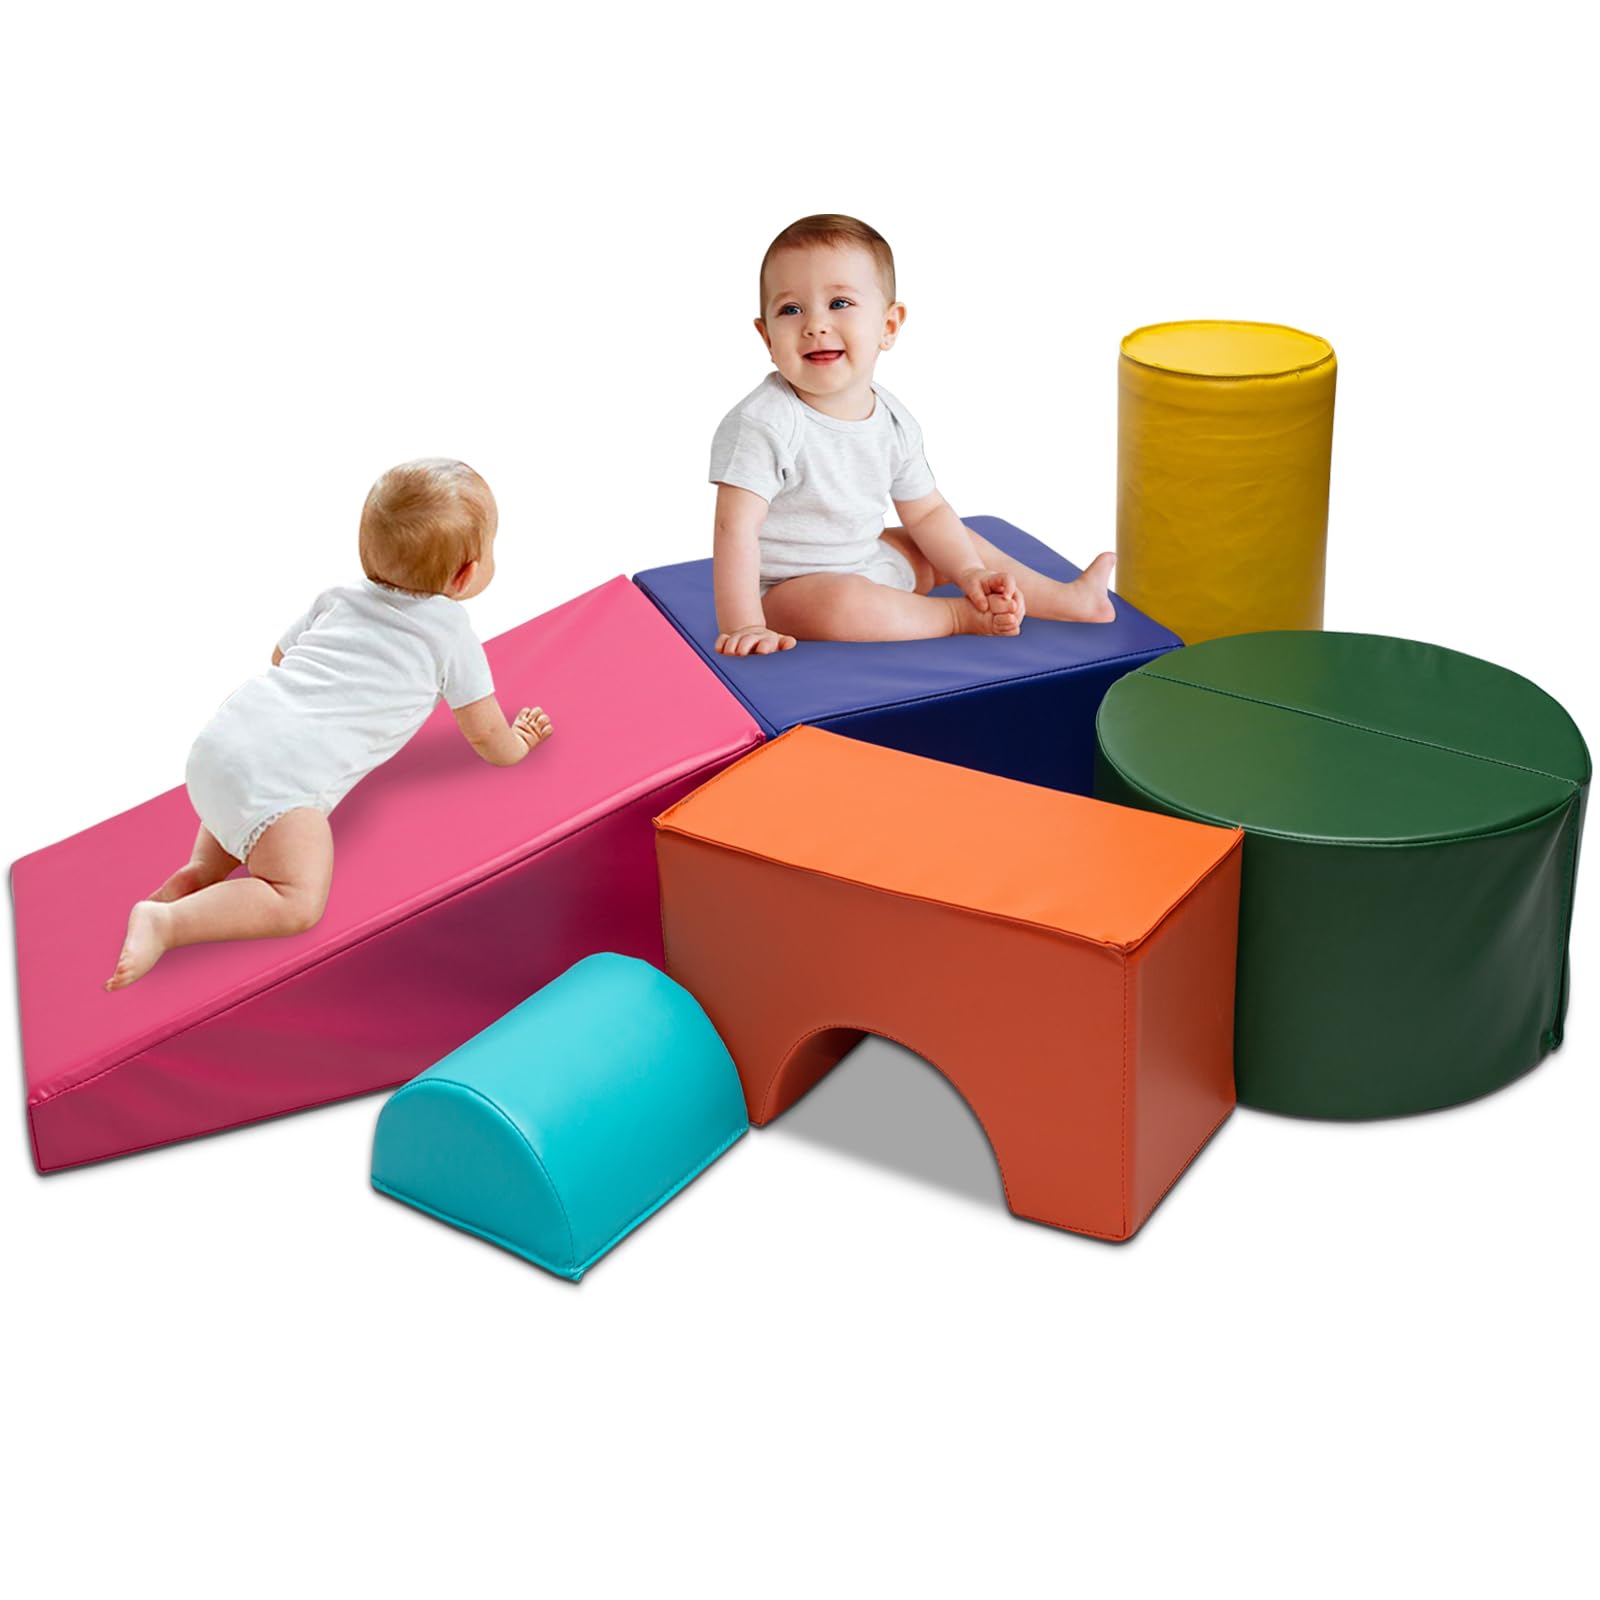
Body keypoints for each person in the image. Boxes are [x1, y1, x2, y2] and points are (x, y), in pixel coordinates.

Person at [106, 458, 553, 989]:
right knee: (297, 899)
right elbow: (485, 733)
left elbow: (280, 657)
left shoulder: (339, 598)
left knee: (243, 799)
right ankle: (169, 923)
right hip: (279, 782)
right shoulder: (449, 633)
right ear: (465, 574)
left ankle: (202, 872)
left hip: (225, 739)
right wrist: (518, 744)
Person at [709, 214, 1117, 655]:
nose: (814, 325)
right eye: (791, 310)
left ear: (888, 326)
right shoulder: (763, 422)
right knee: (842, 603)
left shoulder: (893, 419)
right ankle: (959, 616)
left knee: (955, 539)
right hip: (789, 591)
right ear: (767, 337)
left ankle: (1069, 601)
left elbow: (925, 512)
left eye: (839, 303)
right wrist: (745, 624)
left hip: (869, 558)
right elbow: (735, 528)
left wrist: (969, 571)